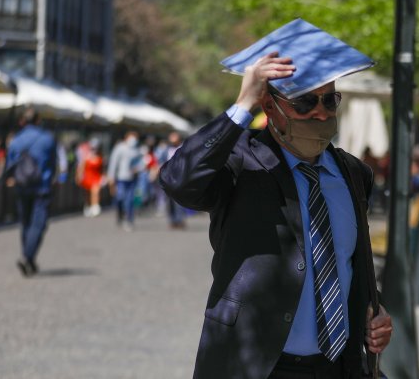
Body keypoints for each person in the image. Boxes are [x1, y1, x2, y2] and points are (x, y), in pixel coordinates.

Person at [159, 19, 392, 378]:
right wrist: (241, 106)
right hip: (257, 365)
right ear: (270, 106)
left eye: (330, 100)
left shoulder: (354, 174)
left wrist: (373, 311)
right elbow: (178, 180)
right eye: (304, 102)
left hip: (337, 367)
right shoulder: (240, 163)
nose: (321, 113)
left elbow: (346, 263)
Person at [5, 107, 57, 277]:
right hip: (41, 187)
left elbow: (9, 165)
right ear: (38, 121)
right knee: (38, 224)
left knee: (26, 223)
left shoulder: (15, 141)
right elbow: (53, 163)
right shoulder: (47, 139)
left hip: (22, 186)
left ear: (22, 121)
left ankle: (29, 259)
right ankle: (27, 256)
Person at [108, 130, 142, 231]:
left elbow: (141, 163)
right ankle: (120, 214)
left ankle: (129, 220)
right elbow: (114, 162)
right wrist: (111, 176)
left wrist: (138, 168)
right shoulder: (120, 148)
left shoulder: (137, 150)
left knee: (130, 200)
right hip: (121, 178)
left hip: (132, 179)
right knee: (120, 198)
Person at [79, 138, 105, 217]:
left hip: (96, 177)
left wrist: (103, 177)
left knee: (95, 191)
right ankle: (88, 206)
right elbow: (81, 167)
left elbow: (102, 169)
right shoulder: (86, 157)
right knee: (87, 193)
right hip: (87, 177)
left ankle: (95, 206)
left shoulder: (100, 157)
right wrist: (80, 176)